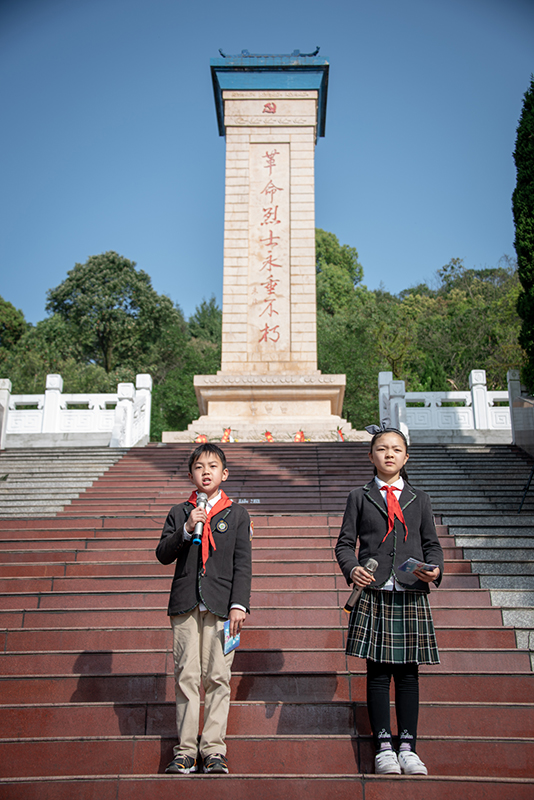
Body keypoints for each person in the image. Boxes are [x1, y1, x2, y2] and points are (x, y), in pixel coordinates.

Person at [335, 425, 443, 776]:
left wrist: (435, 570)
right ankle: (383, 745)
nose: (389, 454)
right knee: (378, 673)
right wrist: (352, 570)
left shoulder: (419, 498)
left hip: (410, 590)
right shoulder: (359, 496)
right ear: (371, 456)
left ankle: (408, 746)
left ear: (406, 456)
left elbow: (432, 545)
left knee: (409, 673)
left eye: (396, 449)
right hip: (374, 591)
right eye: (382, 449)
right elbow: (343, 544)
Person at [156, 443, 252, 775]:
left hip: (224, 608)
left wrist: (239, 605)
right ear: (191, 474)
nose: (206, 472)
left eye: (213, 467)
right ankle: (184, 750)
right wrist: (186, 529)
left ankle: (213, 749)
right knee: (186, 676)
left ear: (224, 474)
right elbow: (163, 554)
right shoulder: (180, 512)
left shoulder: (236, 514)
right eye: (199, 467)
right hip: (184, 605)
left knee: (218, 677)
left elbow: (243, 564)